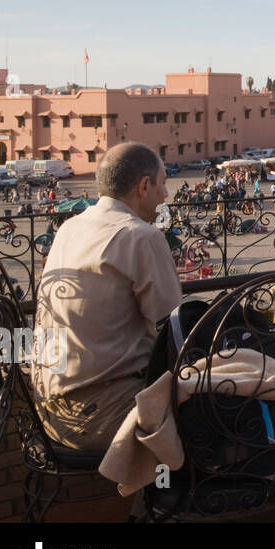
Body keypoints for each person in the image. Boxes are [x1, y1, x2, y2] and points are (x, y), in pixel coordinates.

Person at [33, 143, 181, 451]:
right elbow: (174, 334)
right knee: (217, 410)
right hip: (101, 413)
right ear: (144, 186)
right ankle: (169, 494)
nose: (166, 194)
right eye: (163, 183)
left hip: (49, 412)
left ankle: (159, 492)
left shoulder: (70, 228)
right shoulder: (142, 236)